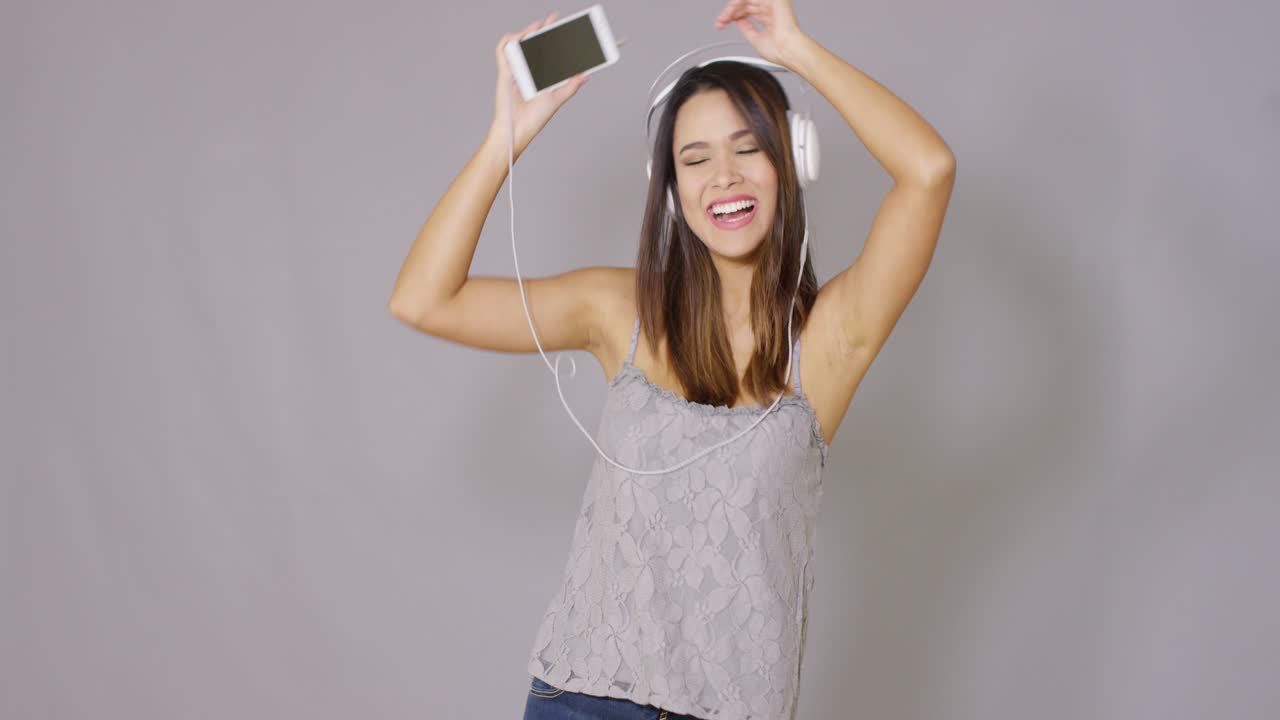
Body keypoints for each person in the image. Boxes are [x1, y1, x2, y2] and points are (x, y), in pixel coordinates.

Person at [389, 1, 955, 717]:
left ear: (791, 160)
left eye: (749, 148)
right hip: (581, 699)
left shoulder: (830, 339)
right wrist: (509, 133)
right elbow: (422, 299)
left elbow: (929, 171)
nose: (724, 176)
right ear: (670, 188)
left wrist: (798, 52)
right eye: (695, 159)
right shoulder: (616, 312)